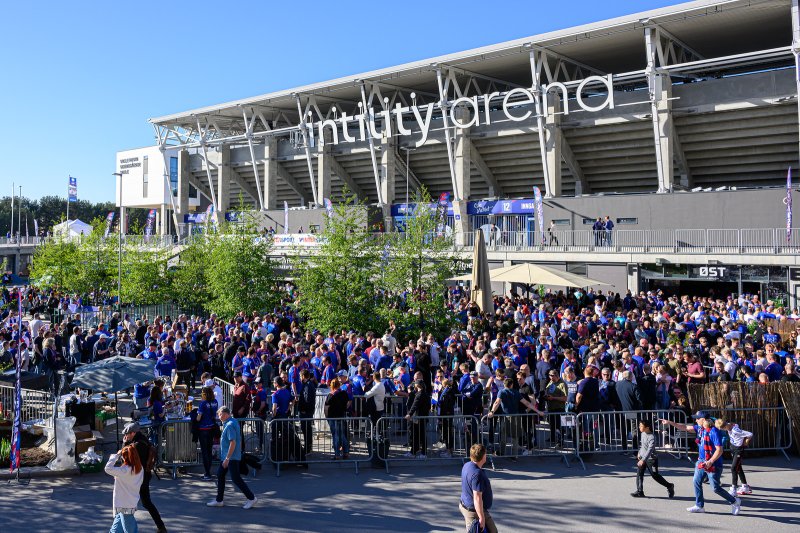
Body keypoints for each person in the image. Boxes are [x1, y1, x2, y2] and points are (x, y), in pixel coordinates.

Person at [661, 411, 741, 515]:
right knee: (696, 481)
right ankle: (699, 505)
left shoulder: (714, 431)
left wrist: (710, 461)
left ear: (703, 420)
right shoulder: (699, 428)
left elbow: (719, 450)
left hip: (713, 463)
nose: (695, 420)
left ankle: (735, 501)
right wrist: (670, 422)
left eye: (697, 418)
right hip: (701, 461)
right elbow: (685, 427)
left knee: (715, 488)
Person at [207, 406, 257, 509]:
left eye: (220, 414)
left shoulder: (229, 425)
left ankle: (251, 498)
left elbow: (233, 442)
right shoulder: (231, 422)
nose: (219, 417)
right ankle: (219, 500)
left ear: (225, 414)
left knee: (236, 479)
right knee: (220, 475)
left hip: (231, 457)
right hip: (228, 457)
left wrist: (227, 458)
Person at [122, 422, 167, 533]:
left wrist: (124, 443)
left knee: (128, 502)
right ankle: (161, 527)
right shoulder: (142, 439)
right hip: (143, 476)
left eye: (127, 434)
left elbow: (125, 457)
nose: (126, 436)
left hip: (139, 478)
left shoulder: (137, 445)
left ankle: (160, 527)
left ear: (133, 433)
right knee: (145, 502)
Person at [104, 444, 144, 533]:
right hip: (131, 502)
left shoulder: (124, 470)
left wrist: (116, 456)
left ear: (125, 458)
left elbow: (107, 468)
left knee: (129, 530)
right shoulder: (140, 469)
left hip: (122, 504)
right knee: (116, 529)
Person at [630, 419, 675, 499]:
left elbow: (650, 450)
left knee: (655, 476)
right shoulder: (643, 433)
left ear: (647, 428)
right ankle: (640, 491)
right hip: (642, 458)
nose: (639, 427)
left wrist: (643, 460)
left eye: (641, 426)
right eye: (639, 425)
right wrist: (639, 452)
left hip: (651, 459)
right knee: (639, 473)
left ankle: (669, 486)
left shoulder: (652, 437)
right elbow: (643, 446)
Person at [459, 443, 498, 533]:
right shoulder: (477, 474)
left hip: (465, 505)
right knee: (493, 531)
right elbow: (477, 498)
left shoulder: (467, 465)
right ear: (483, 456)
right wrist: (481, 517)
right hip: (473, 511)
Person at [715, 418, 754, 496]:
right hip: (733, 447)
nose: (722, 430)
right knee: (738, 467)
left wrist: (746, 442)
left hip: (738, 450)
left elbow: (750, 434)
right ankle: (745, 486)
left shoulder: (735, 430)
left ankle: (733, 488)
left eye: (722, 429)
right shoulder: (729, 425)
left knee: (733, 468)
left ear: (724, 427)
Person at [324, 377, 350, 459]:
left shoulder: (331, 395)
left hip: (333, 417)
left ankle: (337, 454)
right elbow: (347, 403)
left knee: (335, 436)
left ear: (332, 386)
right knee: (342, 435)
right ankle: (346, 453)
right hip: (341, 416)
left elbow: (326, 405)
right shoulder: (344, 393)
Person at [196, 386, 219, 481]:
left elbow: (198, 418)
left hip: (203, 429)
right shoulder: (215, 402)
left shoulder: (203, 403)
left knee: (205, 451)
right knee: (209, 451)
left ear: (204, 394)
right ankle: (208, 471)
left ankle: (207, 473)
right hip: (211, 428)